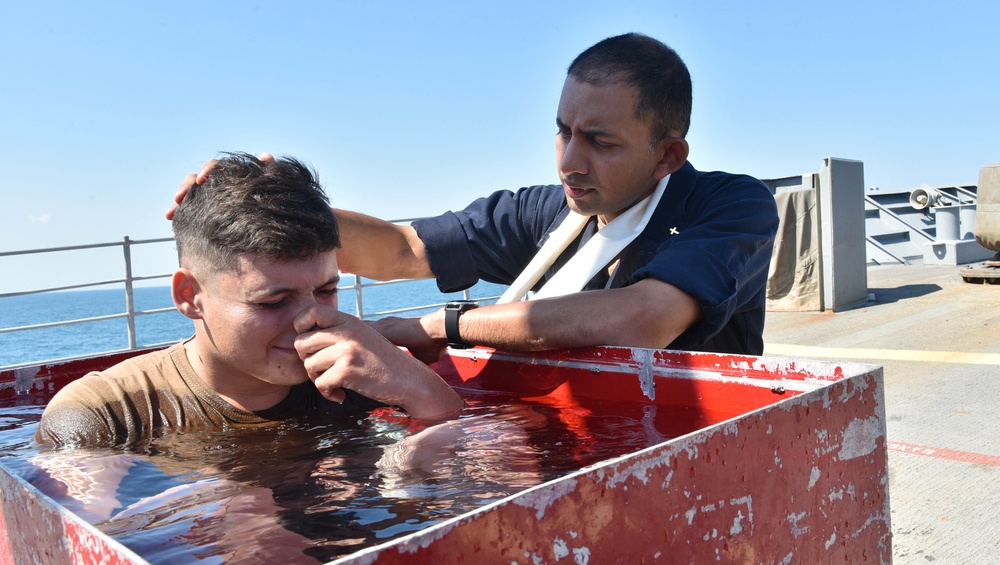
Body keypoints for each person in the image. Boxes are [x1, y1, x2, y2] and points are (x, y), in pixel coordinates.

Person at [169, 33, 779, 359]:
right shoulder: (546, 210)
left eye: (601, 142)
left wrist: (444, 325)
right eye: (563, 132)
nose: (569, 160)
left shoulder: (730, 208)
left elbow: (643, 319)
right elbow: (405, 250)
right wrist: (280, 209)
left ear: (667, 155)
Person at [38, 153, 464, 447]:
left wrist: (420, 389)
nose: (310, 319)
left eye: (326, 290)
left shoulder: (370, 376)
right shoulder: (105, 415)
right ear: (190, 297)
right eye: (272, 301)